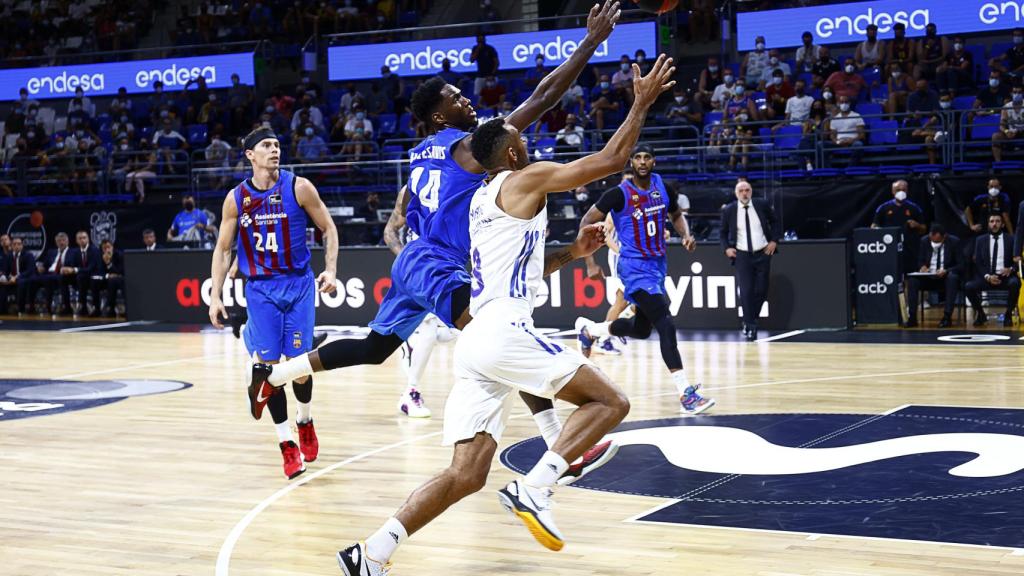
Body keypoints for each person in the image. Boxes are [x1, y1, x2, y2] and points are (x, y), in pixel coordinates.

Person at [333, 49, 674, 576]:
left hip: (475, 345)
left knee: (465, 474)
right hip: (500, 330)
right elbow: (609, 162)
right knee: (610, 402)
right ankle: (537, 486)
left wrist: (572, 254)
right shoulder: (526, 179)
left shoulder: (480, 199)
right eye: (521, 140)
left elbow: (520, 269)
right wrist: (642, 103)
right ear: (512, 155)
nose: (527, 140)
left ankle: (370, 552)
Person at [249, 1, 624, 450]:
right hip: (435, 261)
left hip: (416, 258)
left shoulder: (420, 151)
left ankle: (275, 374)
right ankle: (556, 439)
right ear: (441, 116)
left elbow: (406, 207)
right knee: (496, 334)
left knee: (375, 349)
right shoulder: (467, 147)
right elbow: (541, 99)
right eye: (455, 97)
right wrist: (589, 44)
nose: (466, 98)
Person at [208, 128, 340, 479]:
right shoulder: (237, 198)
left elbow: (328, 228)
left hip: (297, 285)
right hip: (261, 289)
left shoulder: (299, 187)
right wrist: (215, 296)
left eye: (278, 145)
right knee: (268, 370)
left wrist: (330, 270)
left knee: (298, 365)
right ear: (250, 154)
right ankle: (286, 444)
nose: (274, 150)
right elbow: (223, 249)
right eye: (266, 146)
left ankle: (305, 419)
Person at [574, 144, 714, 413]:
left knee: (641, 329)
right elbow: (586, 221)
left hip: (657, 266)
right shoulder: (618, 194)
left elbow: (675, 214)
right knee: (665, 322)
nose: (642, 161)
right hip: (633, 269)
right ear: (631, 163)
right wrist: (590, 259)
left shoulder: (662, 187)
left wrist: (685, 234)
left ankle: (592, 331)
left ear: (654, 161)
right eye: (637, 157)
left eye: (647, 157)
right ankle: (686, 394)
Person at [720, 180, 780, 340]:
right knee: (746, 292)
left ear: (751, 192)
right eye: (741, 191)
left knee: (761, 290)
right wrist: (726, 247)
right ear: (736, 193)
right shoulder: (730, 210)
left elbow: (775, 221)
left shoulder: (761, 205)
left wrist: (774, 240)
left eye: (747, 190)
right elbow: (722, 232)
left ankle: (750, 320)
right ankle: (751, 326)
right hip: (742, 255)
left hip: (762, 252)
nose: (744, 193)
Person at [965, 214, 1020, 327]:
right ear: (988, 224)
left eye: (997, 221)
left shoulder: (1011, 239)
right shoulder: (980, 240)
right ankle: (981, 314)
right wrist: (987, 276)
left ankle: (1008, 315)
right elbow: (978, 262)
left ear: (1003, 224)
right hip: (987, 277)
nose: (994, 224)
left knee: (1015, 283)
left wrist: (1010, 269)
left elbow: (1018, 261)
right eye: (992, 221)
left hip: (1005, 277)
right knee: (968, 286)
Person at [905, 223, 961, 328]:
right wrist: (922, 267)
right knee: (912, 280)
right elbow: (920, 260)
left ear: (944, 237)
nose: (934, 243)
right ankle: (912, 317)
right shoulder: (924, 241)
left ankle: (946, 317)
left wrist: (946, 270)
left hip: (945, 278)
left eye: (937, 241)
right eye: (932, 240)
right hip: (929, 277)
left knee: (952, 278)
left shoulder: (954, 242)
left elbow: (961, 265)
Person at [32, 232, 74, 315]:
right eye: (59, 241)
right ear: (56, 242)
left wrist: (69, 269)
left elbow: (73, 264)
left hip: (63, 274)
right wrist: (41, 267)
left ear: (67, 241)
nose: (61, 243)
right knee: (33, 279)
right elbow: (45, 264)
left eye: (63, 240)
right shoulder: (51, 252)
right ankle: (31, 307)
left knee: (52, 279)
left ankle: (62, 307)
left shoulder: (73, 252)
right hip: (50, 274)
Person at [823, 95, 865, 167]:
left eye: (846, 102)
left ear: (849, 103)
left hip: (853, 142)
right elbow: (832, 135)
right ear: (838, 104)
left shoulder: (856, 115)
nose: (844, 104)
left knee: (859, 145)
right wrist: (837, 141)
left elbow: (862, 135)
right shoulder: (835, 118)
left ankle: (850, 169)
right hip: (838, 142)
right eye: (842, 102)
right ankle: (829, 170)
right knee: (821, 144)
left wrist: (851, 140)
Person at [70, 230, 102, 315]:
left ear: (88, 239)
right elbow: (73, 265)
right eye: (80, 238)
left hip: (95, 275)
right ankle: (71, 306)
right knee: (69, 278)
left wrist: (75, 270)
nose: (82, 240)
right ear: (77, 241)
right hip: (82, 277)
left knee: (85, 278)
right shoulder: (75, 252)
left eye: (84, 238)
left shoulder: (94, 250)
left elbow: (90, 268)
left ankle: (96, 308)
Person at [992, 84, 1024, 162]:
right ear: (1011, 93)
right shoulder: (1006, 107)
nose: (1017, 94)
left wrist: (1019, 130)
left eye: (1019, 92)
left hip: (1023, 132)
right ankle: (998, 164)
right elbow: (1002, 125)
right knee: (995, 137)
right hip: (1011, 133)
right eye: (1015, 92)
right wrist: (1006, 131)